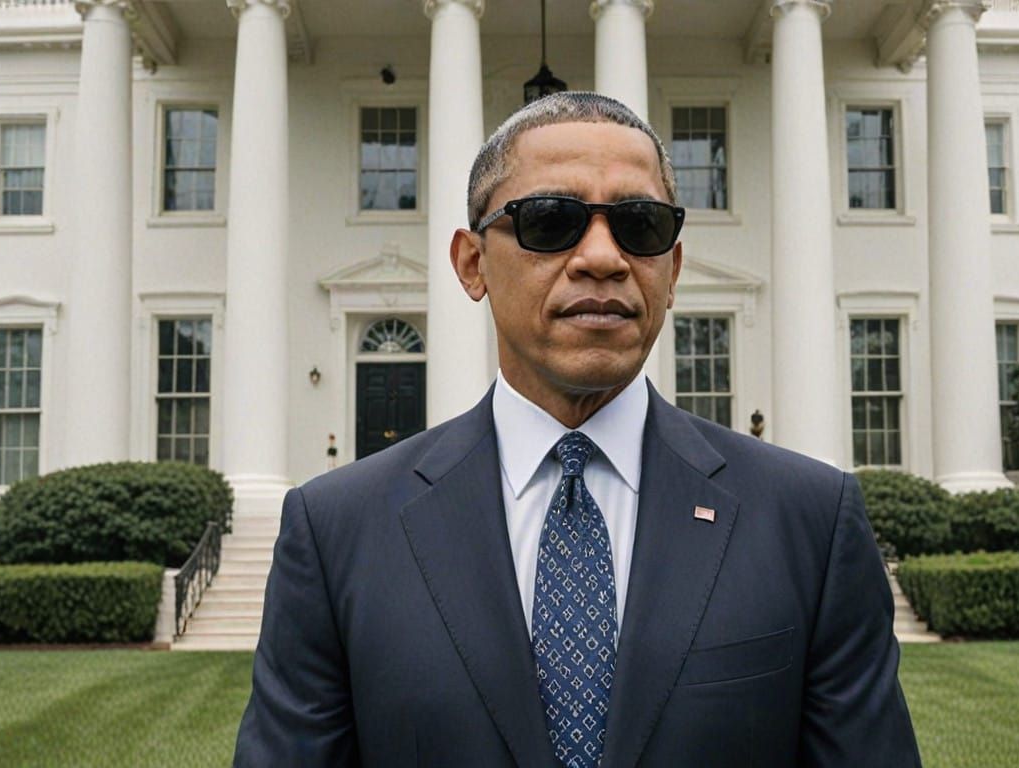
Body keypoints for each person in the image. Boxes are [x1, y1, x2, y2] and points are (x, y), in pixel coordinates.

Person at [233, 92, 921, 767]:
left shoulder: (809, 522)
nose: (602, 257)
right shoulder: (336, 532)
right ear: (472, 264)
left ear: (672, 270)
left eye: (640, 225)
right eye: (550, 220)